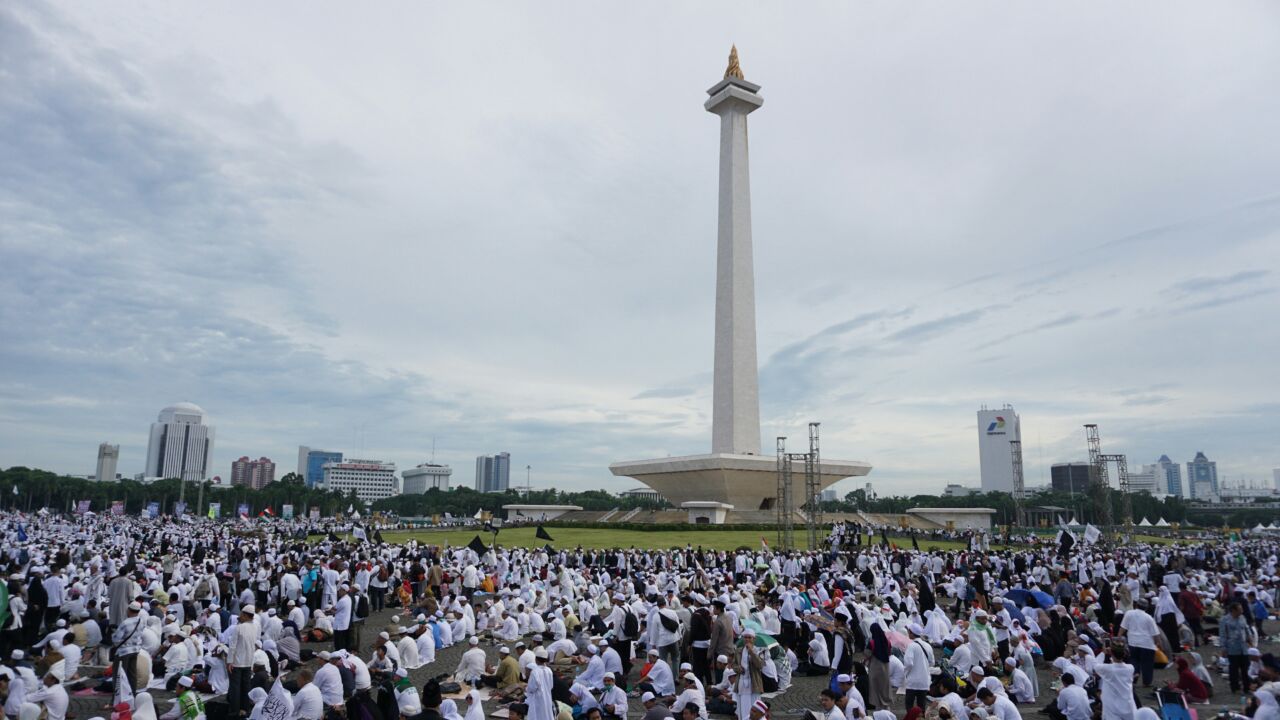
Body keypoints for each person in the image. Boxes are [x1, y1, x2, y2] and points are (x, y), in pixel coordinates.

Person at [1119, 602, 1160, 687]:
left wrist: (1119, 637)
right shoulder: (1149, 618)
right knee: (1147, 664)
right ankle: (1146, 682)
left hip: (1133, 641)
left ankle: (1135, 674)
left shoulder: (1129, 613)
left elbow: (1123, 627)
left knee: (1134, 660)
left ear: (1136, 605)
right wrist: (1157, 642)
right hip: (1147, 644)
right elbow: (1155, 634)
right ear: (1146, 608)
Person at [1093, 646, 1136, 720]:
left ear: (1112, 655)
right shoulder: (1130, 668)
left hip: (1112, 705)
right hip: (1127, 703)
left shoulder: (1108, 669)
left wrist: (1104, 653)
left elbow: (1095, 665)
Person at [1221, 601, 1252, 694]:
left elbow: (1246, 628)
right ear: (1233, 610)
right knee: (1233, 669)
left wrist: (1249, 637)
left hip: (1243, 647)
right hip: (1232, 647)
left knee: (1246, 668)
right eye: (1240, 610)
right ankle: (1235, 687)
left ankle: (1247, 687)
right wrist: (1223, 648)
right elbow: (1222, 634)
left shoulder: (1242, 617)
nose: (1242, 611)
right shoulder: (1225, 620)